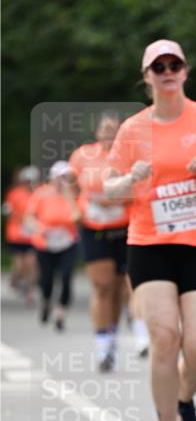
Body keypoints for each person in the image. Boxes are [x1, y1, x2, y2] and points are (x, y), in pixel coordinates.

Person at [104, 39, 196, 421]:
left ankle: (183, 398)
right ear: (146, 76)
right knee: (164, 337)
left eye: (173, 64)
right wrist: (128, 182)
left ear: (185, 70)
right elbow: (108, 189)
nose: (166, 71)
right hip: (151, 244)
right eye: (157, 66)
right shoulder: (133, 130)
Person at [69, 111, 129, 371]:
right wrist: (73, 206)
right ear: (97, 133)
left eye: (114, 130)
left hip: (124, 227)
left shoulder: (129, 156)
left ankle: (112, 334)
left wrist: (116, 200)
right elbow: (67, 183)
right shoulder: (83, 155)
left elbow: (142, 187)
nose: (109, 135)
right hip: (93, 227)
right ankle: (102, 344)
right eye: (105, 130)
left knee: (119, 288)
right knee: (102, 286)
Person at [25, 161, 81, 330]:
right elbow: (29, 217)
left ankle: (61, 312)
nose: (62, 181)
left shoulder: (74, 195)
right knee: (47, 278)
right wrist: (40, 228)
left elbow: (78, 218)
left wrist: (68, 197)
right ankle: (47, 301)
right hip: (45, 242)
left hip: (67, 242)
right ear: (52, 177)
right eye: (60, 177)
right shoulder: (41, 193)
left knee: (66, 276)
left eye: (66, 178)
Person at [2, 165, 40, 302]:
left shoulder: (39, 193)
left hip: (33, 235)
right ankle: (13, 283)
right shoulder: (14, 193)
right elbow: (8, 211)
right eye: (28, 180)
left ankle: (31, 290)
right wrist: (21, 220)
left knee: (32, 263)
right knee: (19, 265)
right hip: (17, 235)